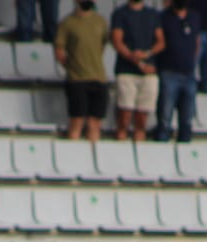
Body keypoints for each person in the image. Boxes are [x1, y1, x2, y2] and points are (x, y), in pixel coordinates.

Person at [54, 0, 110, 142]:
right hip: (77, 80)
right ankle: (73, 153)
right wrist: (72, 67)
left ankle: (93, 154)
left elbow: (102, 46)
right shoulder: (68, 22)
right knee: (76, 122)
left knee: (95, 124)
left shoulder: (101, 21)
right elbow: (59, 51)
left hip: (99, 78)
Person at [109, 0, 164, 142]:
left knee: (141, 120)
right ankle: (121, 144)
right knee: (124, 116)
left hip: (148, 72)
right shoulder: (120, 14)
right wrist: (135, 59)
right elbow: (117, 41)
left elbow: (161, 42)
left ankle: (139, 147)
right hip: (126, 71)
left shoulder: (152, 14)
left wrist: (147, 54)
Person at [154, 0, 199, 143]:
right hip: (169, 72)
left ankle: (185, 144)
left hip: (188, 73)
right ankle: (162, 142)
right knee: (165, 116)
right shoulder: (163, 17)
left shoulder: (194, 17)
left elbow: (196, 41)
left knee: (187, 118)